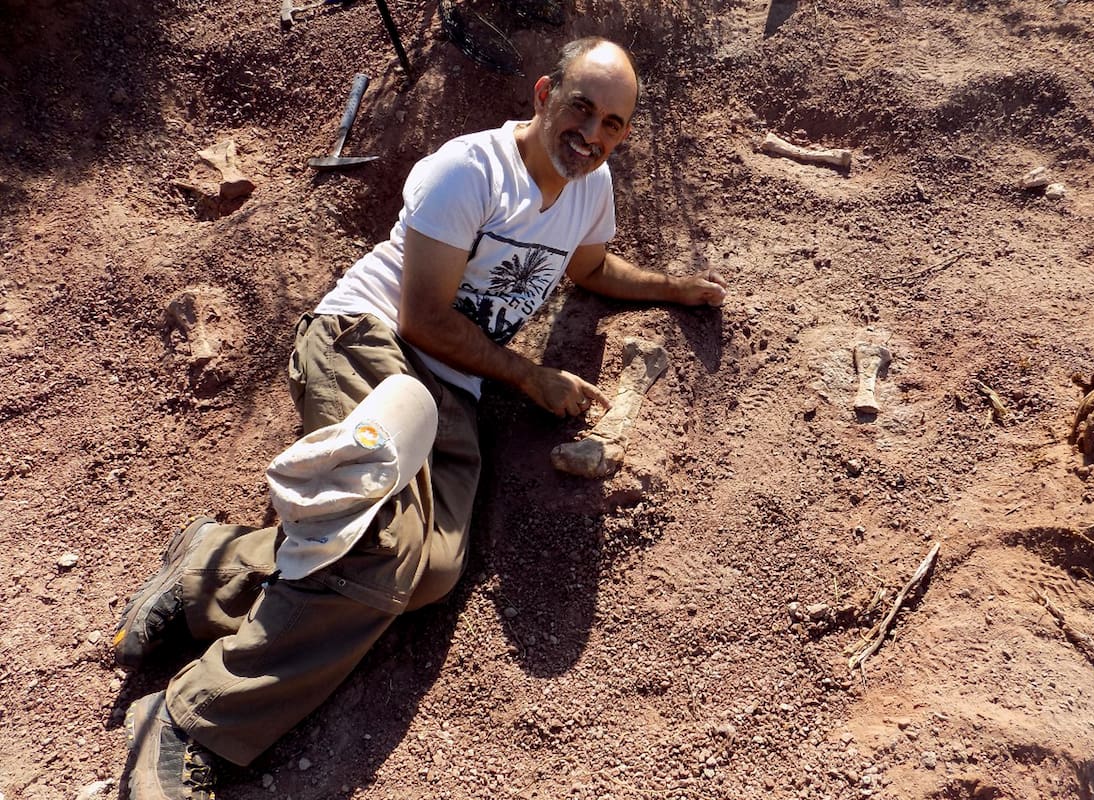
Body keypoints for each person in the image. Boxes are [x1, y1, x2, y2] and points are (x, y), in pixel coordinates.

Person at [115, 36, 727, 800]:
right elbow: (426, 317)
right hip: (367, 340)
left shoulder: (590, 188)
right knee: (385, 553)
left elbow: (592, 269)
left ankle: (215, 567)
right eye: (582, 108)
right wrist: (533, 379)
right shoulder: (469, 170)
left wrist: (676, 288)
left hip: (452, 388)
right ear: (543, 95)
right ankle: (189, 722)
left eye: (614, 124)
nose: (595, 134)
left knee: (430, 573)